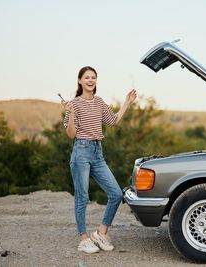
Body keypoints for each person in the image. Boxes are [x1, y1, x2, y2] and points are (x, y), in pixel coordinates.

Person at [61, 66, 137, 253]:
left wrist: (127, 102)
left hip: (97, 153)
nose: (90, 80)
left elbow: (113, 121)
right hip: (81, 152)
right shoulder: (74, 104)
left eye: (93, 77)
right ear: (79, 81)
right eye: (86, 77)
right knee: (82, 197)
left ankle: (101, 233)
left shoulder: (99, 102)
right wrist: (70, 113)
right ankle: (83, 239)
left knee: (116, 194)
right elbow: (71, 134)